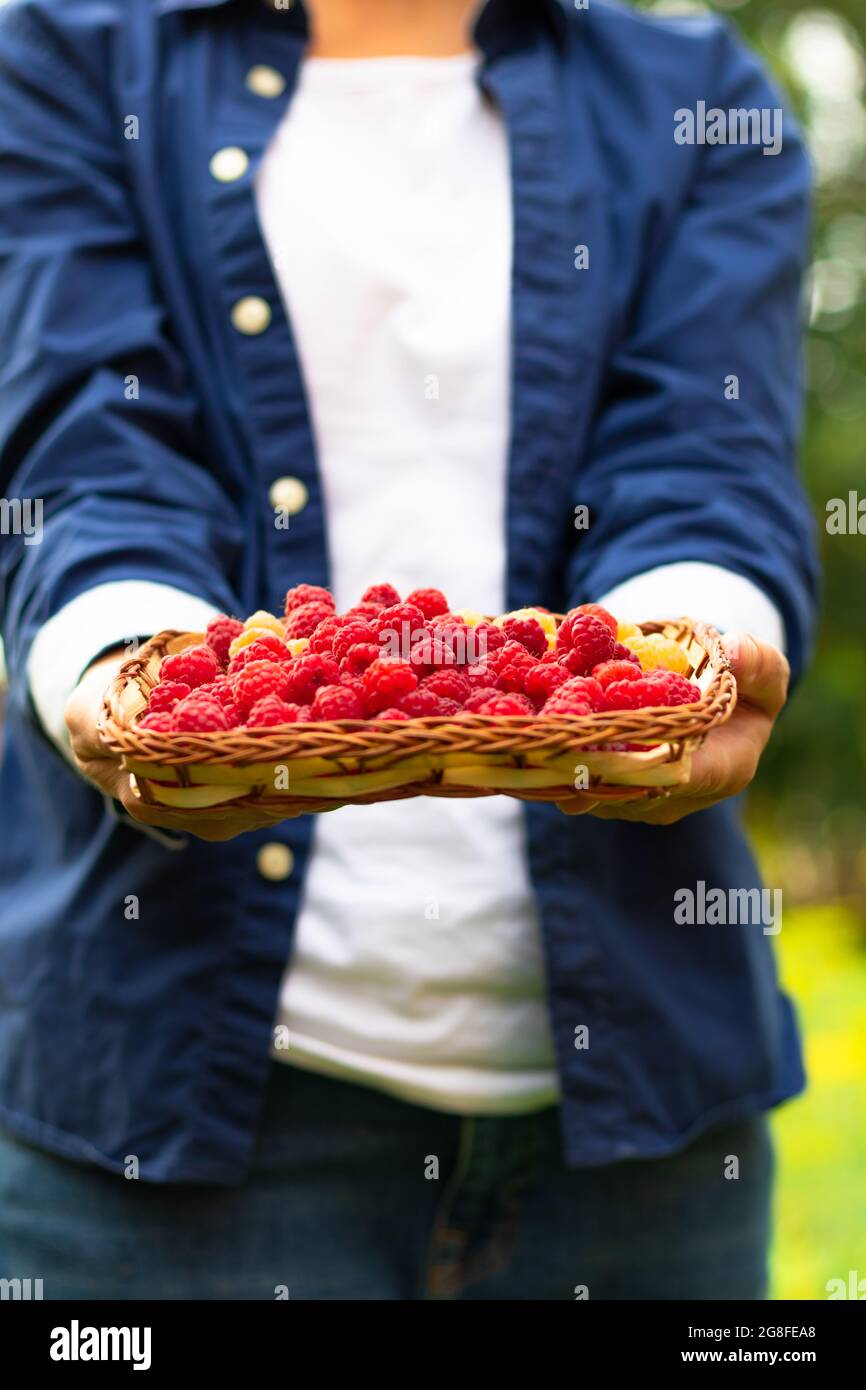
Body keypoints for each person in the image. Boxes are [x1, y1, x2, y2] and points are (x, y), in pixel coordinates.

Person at [0, 0, 817, 1300]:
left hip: (639, 1137)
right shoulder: (60, 53)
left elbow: (702, 456)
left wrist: (685, 648)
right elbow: (89, 451)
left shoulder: (700, 88)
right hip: (165, 1123)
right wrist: (130, 666)